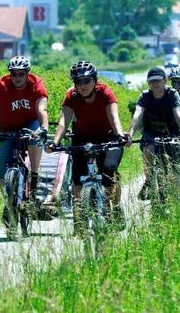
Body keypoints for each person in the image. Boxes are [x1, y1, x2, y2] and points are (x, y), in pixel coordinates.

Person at [47, 61, 127, 232]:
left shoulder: (105, 92)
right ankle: (79, 215)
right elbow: (63, 122)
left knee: (108, 170)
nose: (82, 85)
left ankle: (116, 207)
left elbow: (114, 117)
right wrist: (55, 142)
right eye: (78, 81)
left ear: (95, 80)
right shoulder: (72, 96)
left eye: (86, 80)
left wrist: (120, 135)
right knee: (77, 177)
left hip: (108, 136)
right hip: (82, 137)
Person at [0, 56, 49, 222]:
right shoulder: (2, 86)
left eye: (21, 74)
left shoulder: (36, 84)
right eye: (14, 74)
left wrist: (44, 128)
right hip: (9, 127)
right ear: (9, 74)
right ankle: (8, 203)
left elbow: (42, 109)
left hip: (30, 123)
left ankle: (34, 176)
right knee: (1, 170)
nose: (17, 78)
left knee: (34, 138)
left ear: (27, 74)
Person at [127, 67, 180, 200]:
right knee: (148, 150)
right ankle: (149, 180)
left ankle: (176, 195)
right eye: (152, 81)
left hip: (171, 132)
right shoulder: (145, 95)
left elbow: (178, 113)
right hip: (151, 132)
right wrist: (130, 133)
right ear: (148, 83)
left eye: (158, 81)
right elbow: (138, 114)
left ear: (165, 81)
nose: (155, 84)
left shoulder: (172, 94)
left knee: (174, 165)